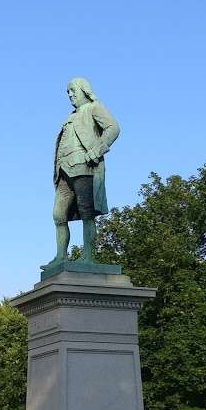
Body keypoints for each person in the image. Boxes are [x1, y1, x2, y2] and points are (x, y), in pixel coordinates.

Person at [46, 78, 120, 269]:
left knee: (86, 212)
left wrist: (96, 151)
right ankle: (61, 257)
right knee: (58, 214)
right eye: (68, 92)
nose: (70, 95)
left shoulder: (94, 108)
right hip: (63, 170)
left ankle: (89, 257)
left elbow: (113, 128)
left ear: (84, 91)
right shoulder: (70, 116)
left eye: (73, 91)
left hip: (84, 167)